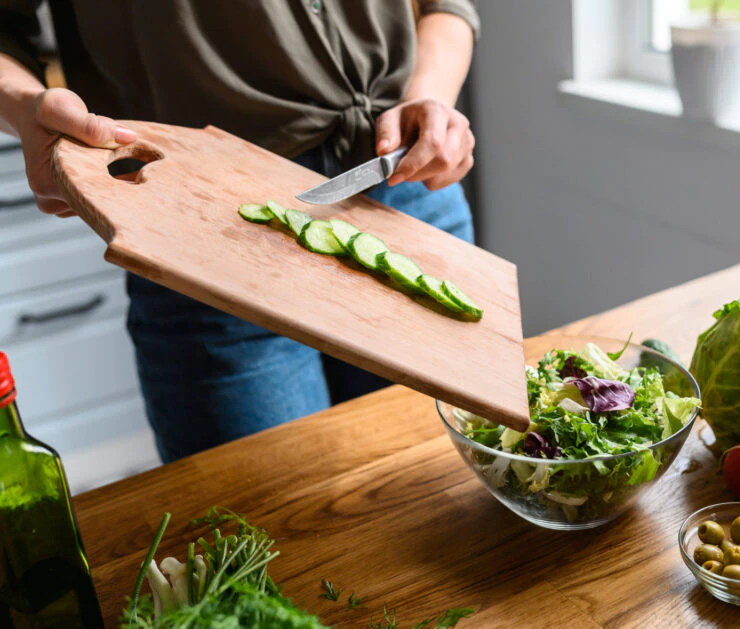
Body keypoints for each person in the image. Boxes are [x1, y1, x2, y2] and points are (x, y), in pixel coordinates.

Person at [0, 1, 479, 462]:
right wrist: (26, 108)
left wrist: (430, 95)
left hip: (401, 180)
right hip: (206, 223)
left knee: (450, 488)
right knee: (273, 522)